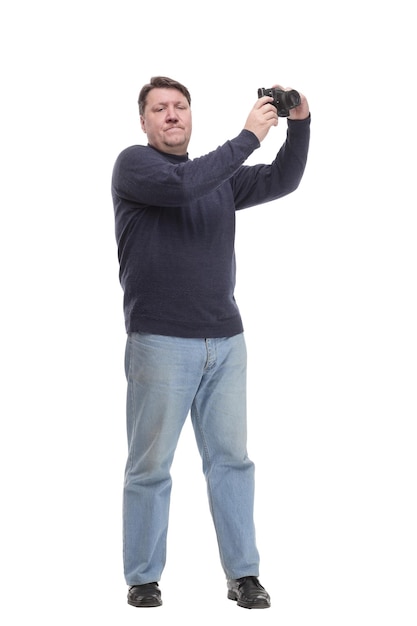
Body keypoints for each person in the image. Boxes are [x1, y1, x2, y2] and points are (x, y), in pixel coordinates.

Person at [111, 76, 310, 609]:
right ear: (145, 122)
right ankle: (143, 577)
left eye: (180, 106)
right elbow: (181, 187)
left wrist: (299, 123)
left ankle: (243, 574)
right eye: (160, 109)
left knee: (231, 462)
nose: (172, 115)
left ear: (191, 116)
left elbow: (284, 179)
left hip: (226, 341)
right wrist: (247, 136)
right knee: (150, 466)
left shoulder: (217, 177)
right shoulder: (135, 166)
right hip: (159, 342)